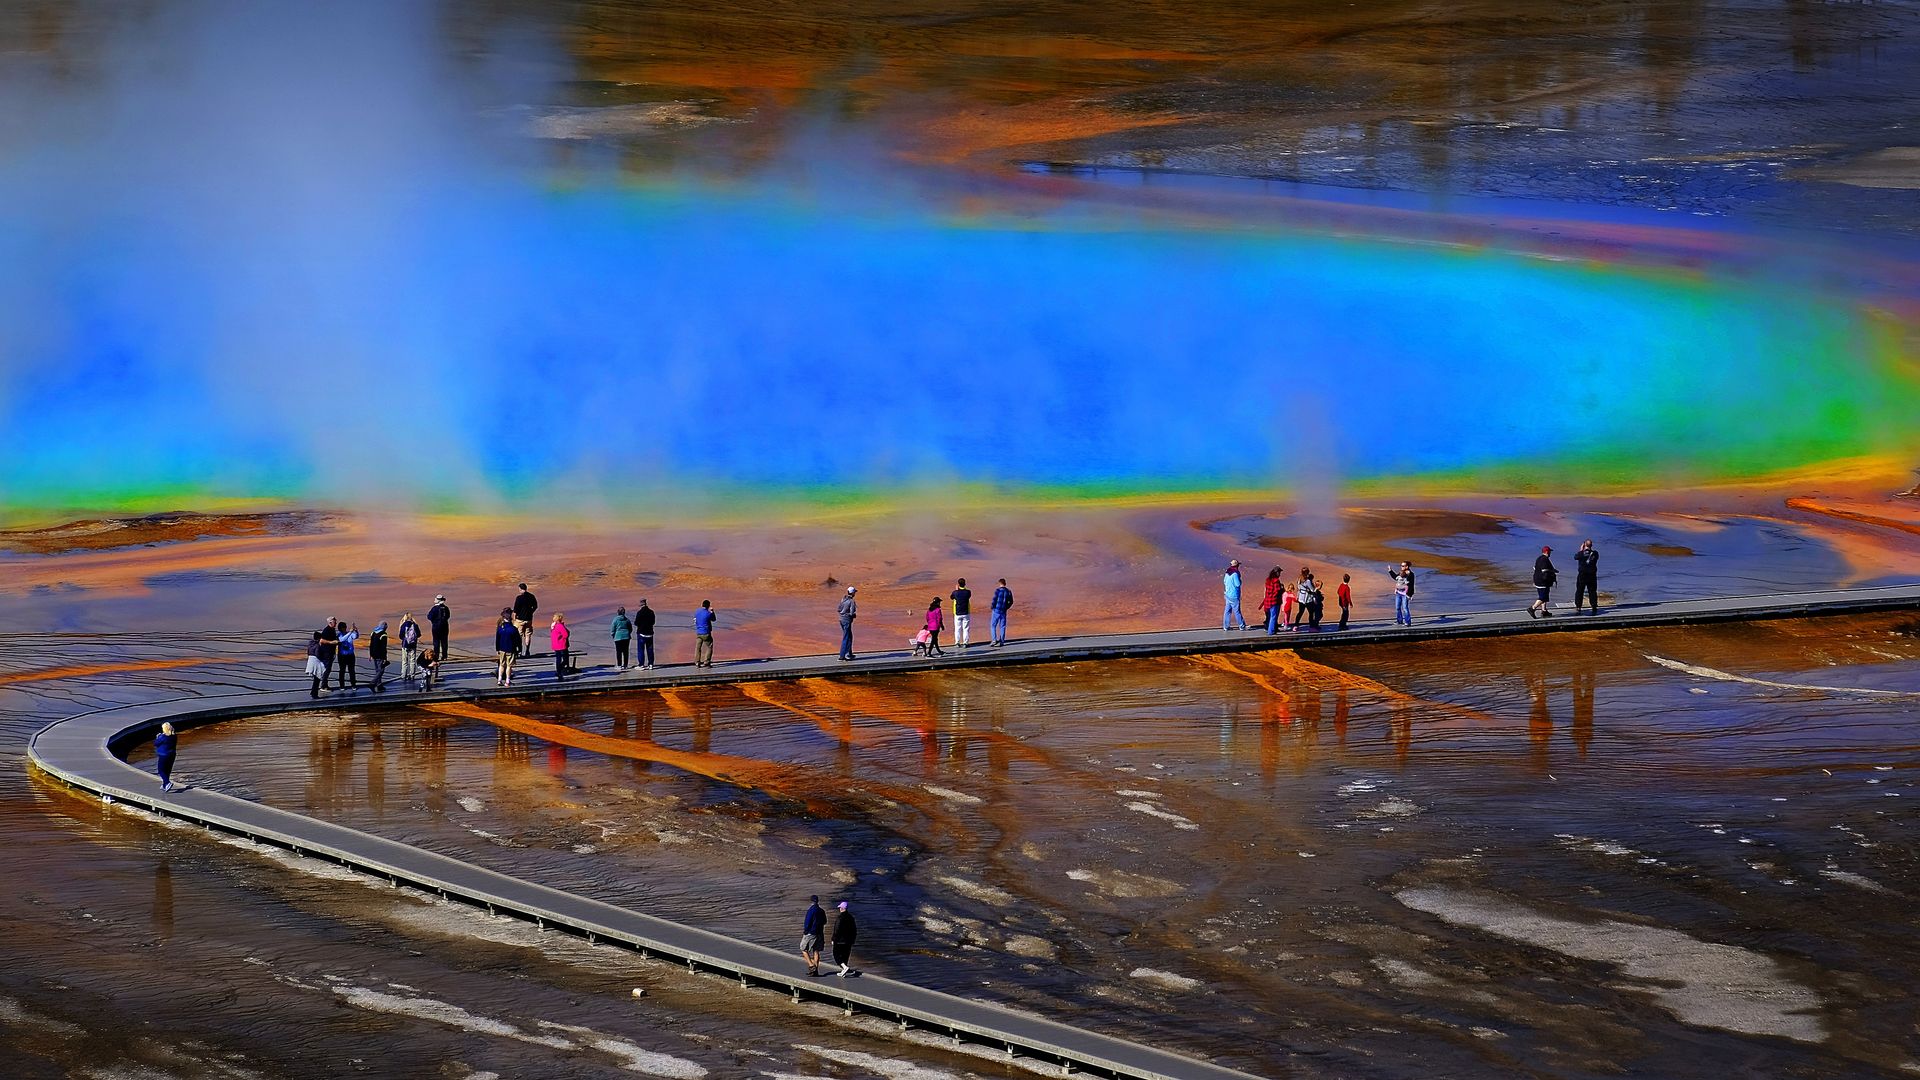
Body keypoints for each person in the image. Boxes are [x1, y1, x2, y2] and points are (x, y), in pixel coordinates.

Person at [800, 894, 827, 976]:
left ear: (811, 902)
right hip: (820, 932)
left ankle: (811, 965)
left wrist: (805, 931)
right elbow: (825, 921)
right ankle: (815, 971)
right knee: (816, 951)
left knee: (803, 949)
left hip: (811, 933)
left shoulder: (811, 910)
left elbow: (807, 922)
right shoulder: (821, 911)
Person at [1529, 545, 1559, 619]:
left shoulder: (1539, 558)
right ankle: (1532, 608)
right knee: (1543, 597)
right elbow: (1544, 571)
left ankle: (1544, 611)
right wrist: (1549, 578)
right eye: (1549, 552)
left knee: (1544, 596)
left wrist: (1553, 570)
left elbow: (1536, 568)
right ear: (1547, 552)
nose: (1550, 553)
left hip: (1537, 580)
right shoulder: (1545, 560)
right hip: (1542, 581)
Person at [830, 900, 858, 977]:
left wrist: (833, 939)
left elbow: (837, 929)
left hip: (839, 941)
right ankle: (844, 971)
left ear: (842, 908)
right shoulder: (851, 918)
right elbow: (854, 929)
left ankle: (844, 967)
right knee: (845, 956)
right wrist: (853, 939)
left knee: (836, 955)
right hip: (848, 941)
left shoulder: (840, 918)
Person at [1573, 539, 1600, 615]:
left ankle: (1578, 606)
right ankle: (1594, 606)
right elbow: (1595, 558)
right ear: (1591, 545)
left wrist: (1581, 550)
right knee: (1592, 591)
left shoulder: (1581, 554)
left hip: (1582, 575)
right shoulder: (1595, 553)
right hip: (1592, 575)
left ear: (1584, 545)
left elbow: (1575, 557)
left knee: (1579, 591)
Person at [512, 583, 539, 658]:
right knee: (528, 635)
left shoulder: (519, 598)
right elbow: (535, 606)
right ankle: (527, 650)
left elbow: (515, 609)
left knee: (519, 635)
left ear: (520, 589)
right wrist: (531, 612)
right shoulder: (531, 596)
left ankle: (519, 651)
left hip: (520, 619)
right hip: (529, 618)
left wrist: (514, 618)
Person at [494, 612, 520, 687]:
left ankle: (499, 680)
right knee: (509, 666)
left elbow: (497, 640)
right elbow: (517, 641)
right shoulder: (513, 629)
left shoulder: (500, 629)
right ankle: (507, 681)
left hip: (502, 649)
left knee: (502, 665)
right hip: (511, 649)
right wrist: (518, 650)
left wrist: (497, 649)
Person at [1222, 559, 1248, 631]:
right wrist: (1240, 580)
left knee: (1227, 611)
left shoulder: (1227, 573)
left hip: (1227, 594)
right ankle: (1242, 626)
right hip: (1234, 596)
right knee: (1237, 611)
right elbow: (1238, 584)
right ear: (1237, 566)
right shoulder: (1235, 574)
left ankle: (1226, 626)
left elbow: (1224, 582)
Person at [153, 721, 179, 793]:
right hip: (172, 754)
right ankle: (164, 785)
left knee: (161, 770)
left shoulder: (162, 737)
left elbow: (156, 743)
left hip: (164, 755)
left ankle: (167, 782)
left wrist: (157, 737)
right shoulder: (174, 736)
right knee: (168, 770)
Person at [989, 578, 1013, 646]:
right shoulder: (1008, 591)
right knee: (1002, 626)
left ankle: (994, 640)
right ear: (1005, 583)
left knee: (993, 625)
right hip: (1003, 611)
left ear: (1000, 583)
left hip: (996, 610)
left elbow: (994, 600)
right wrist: (1006, 607)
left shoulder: (998, 591)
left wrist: (992, 607)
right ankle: (1002, 641)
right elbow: (1011, 602)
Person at [428, 595, 451, 665]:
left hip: (436, 627)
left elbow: (429, 616)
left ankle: (436, 656)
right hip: (445, 626)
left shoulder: (434, 609)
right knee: (444, 642)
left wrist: (434, 621)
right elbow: (448, 616)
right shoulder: (446, 608)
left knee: (436, 642)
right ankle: (444, 656)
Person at [1260, 567, 1283, 635]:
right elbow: (1277, 591)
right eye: (1279, 572)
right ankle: (1271, 631)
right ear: (1276, 573)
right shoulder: (1276, 581)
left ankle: (1271, 629)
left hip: (1267, 600)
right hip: (1274, 601)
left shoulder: (1268, 580)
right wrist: (1282, 589)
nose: (1280, 574)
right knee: (1273, 616)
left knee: (1269, 616)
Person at [336, 620, 358, 690]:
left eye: (345, 627)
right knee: (342, 670)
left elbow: (355, 637)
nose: (345, 628)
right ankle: (342, 686)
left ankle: (353, 685)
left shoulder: (349, 634)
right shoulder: (339, 635)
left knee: (352, 670)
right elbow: (342, 640)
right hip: (342, 656)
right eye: (343, 627)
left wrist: (355, 631)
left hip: (350, 655)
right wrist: (350, 632)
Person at [837, 587, 858, 661]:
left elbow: (838, 609)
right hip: (847, 621)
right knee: (846, 637)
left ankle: (850, 654)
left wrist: (844, 613)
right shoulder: (851, 601)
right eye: (854, 592)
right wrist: (853, 615)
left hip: (841, 620)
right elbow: (852, 613)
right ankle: (842, 656)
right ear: (852, 593)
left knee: (849, 636)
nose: (855, 593)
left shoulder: (843, 599)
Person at [368, 621, 390, 692]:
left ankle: (379, 685)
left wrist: (370, 654)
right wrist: (385, 658)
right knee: (381, 671)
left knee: (377, 670)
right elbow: (383, 647)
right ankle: (372, 683)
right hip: (380, 655)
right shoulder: (383, 634)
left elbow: (371, 645)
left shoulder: (373, 633)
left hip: (374, 654)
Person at [399, 612, 421, 681]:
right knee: (412, 661)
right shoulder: (415, 625)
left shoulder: (403, 625)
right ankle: (412, 675)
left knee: (404, 661)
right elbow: (419, 634)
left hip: (405, 645)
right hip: (413, 645)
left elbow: (400, 635)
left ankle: (403, 675)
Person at [950, 579, 972, 648]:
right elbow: (968, 595)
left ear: (958, 584)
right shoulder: (968, 592)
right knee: (966, 628)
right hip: (966, 612)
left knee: (957, 628)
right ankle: (965, 642)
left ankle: (957, 642)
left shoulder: (955, 592)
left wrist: (957, 590)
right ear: (965, 584)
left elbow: (951, 597)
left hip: (957, 612)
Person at [305, 631, 328, 698]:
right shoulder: (317, 645)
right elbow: (317, 654)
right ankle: (314, 694)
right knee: (317, 678)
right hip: (316, 661)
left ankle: (313, 692)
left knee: (316, 678)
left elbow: (308, 652)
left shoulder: (310, 644)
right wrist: (323, 658)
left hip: (310, 660)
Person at [694, 600, 716, 668]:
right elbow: (714, 619)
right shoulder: (708, 613)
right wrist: (712, 612)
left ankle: (697, 662)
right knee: (709, 646)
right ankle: (706, 662)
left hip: (698, 633)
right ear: (708, 606)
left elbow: (695, 620)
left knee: (698, 648)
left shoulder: (697, 611)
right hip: (706, 633)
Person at [635, 599, 657, 670]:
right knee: (650, 649)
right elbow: (653, 622)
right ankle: (651, 664)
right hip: (650, 634)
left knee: (641, 650)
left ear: (641, 605)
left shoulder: (640, 613)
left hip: (641, 634)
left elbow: (636, 622)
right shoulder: (651, 612)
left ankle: (641, 664)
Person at [551, 613, 571, 680]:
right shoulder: (560, 626)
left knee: (558, 659)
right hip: (561, 645)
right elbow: (565, 635)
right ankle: (559, 670)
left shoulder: (553, 625)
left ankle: (558, 671)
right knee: (565, 659)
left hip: (555, 645)